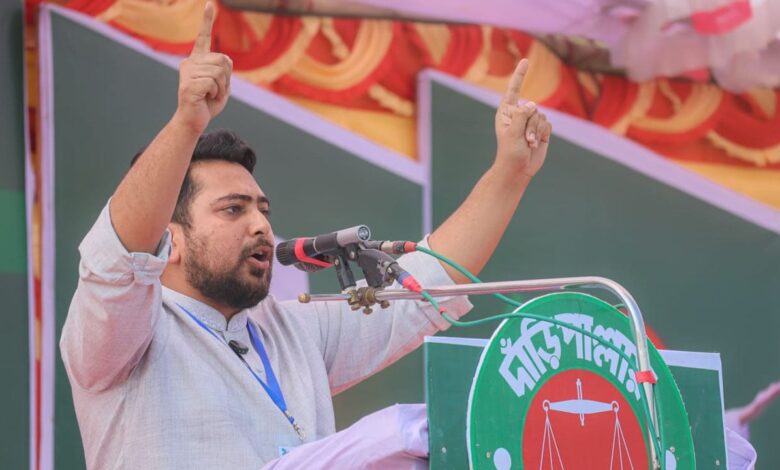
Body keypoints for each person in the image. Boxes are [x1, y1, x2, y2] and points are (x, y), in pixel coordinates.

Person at [59, 2, 552, 469]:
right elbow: (119, 258)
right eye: (233, 209)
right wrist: (187, 123)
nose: (261, 225)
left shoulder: (291, 330)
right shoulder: (124, 334)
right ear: (170, 242)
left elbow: (428, 284)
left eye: (263, 209)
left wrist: (510, 173)